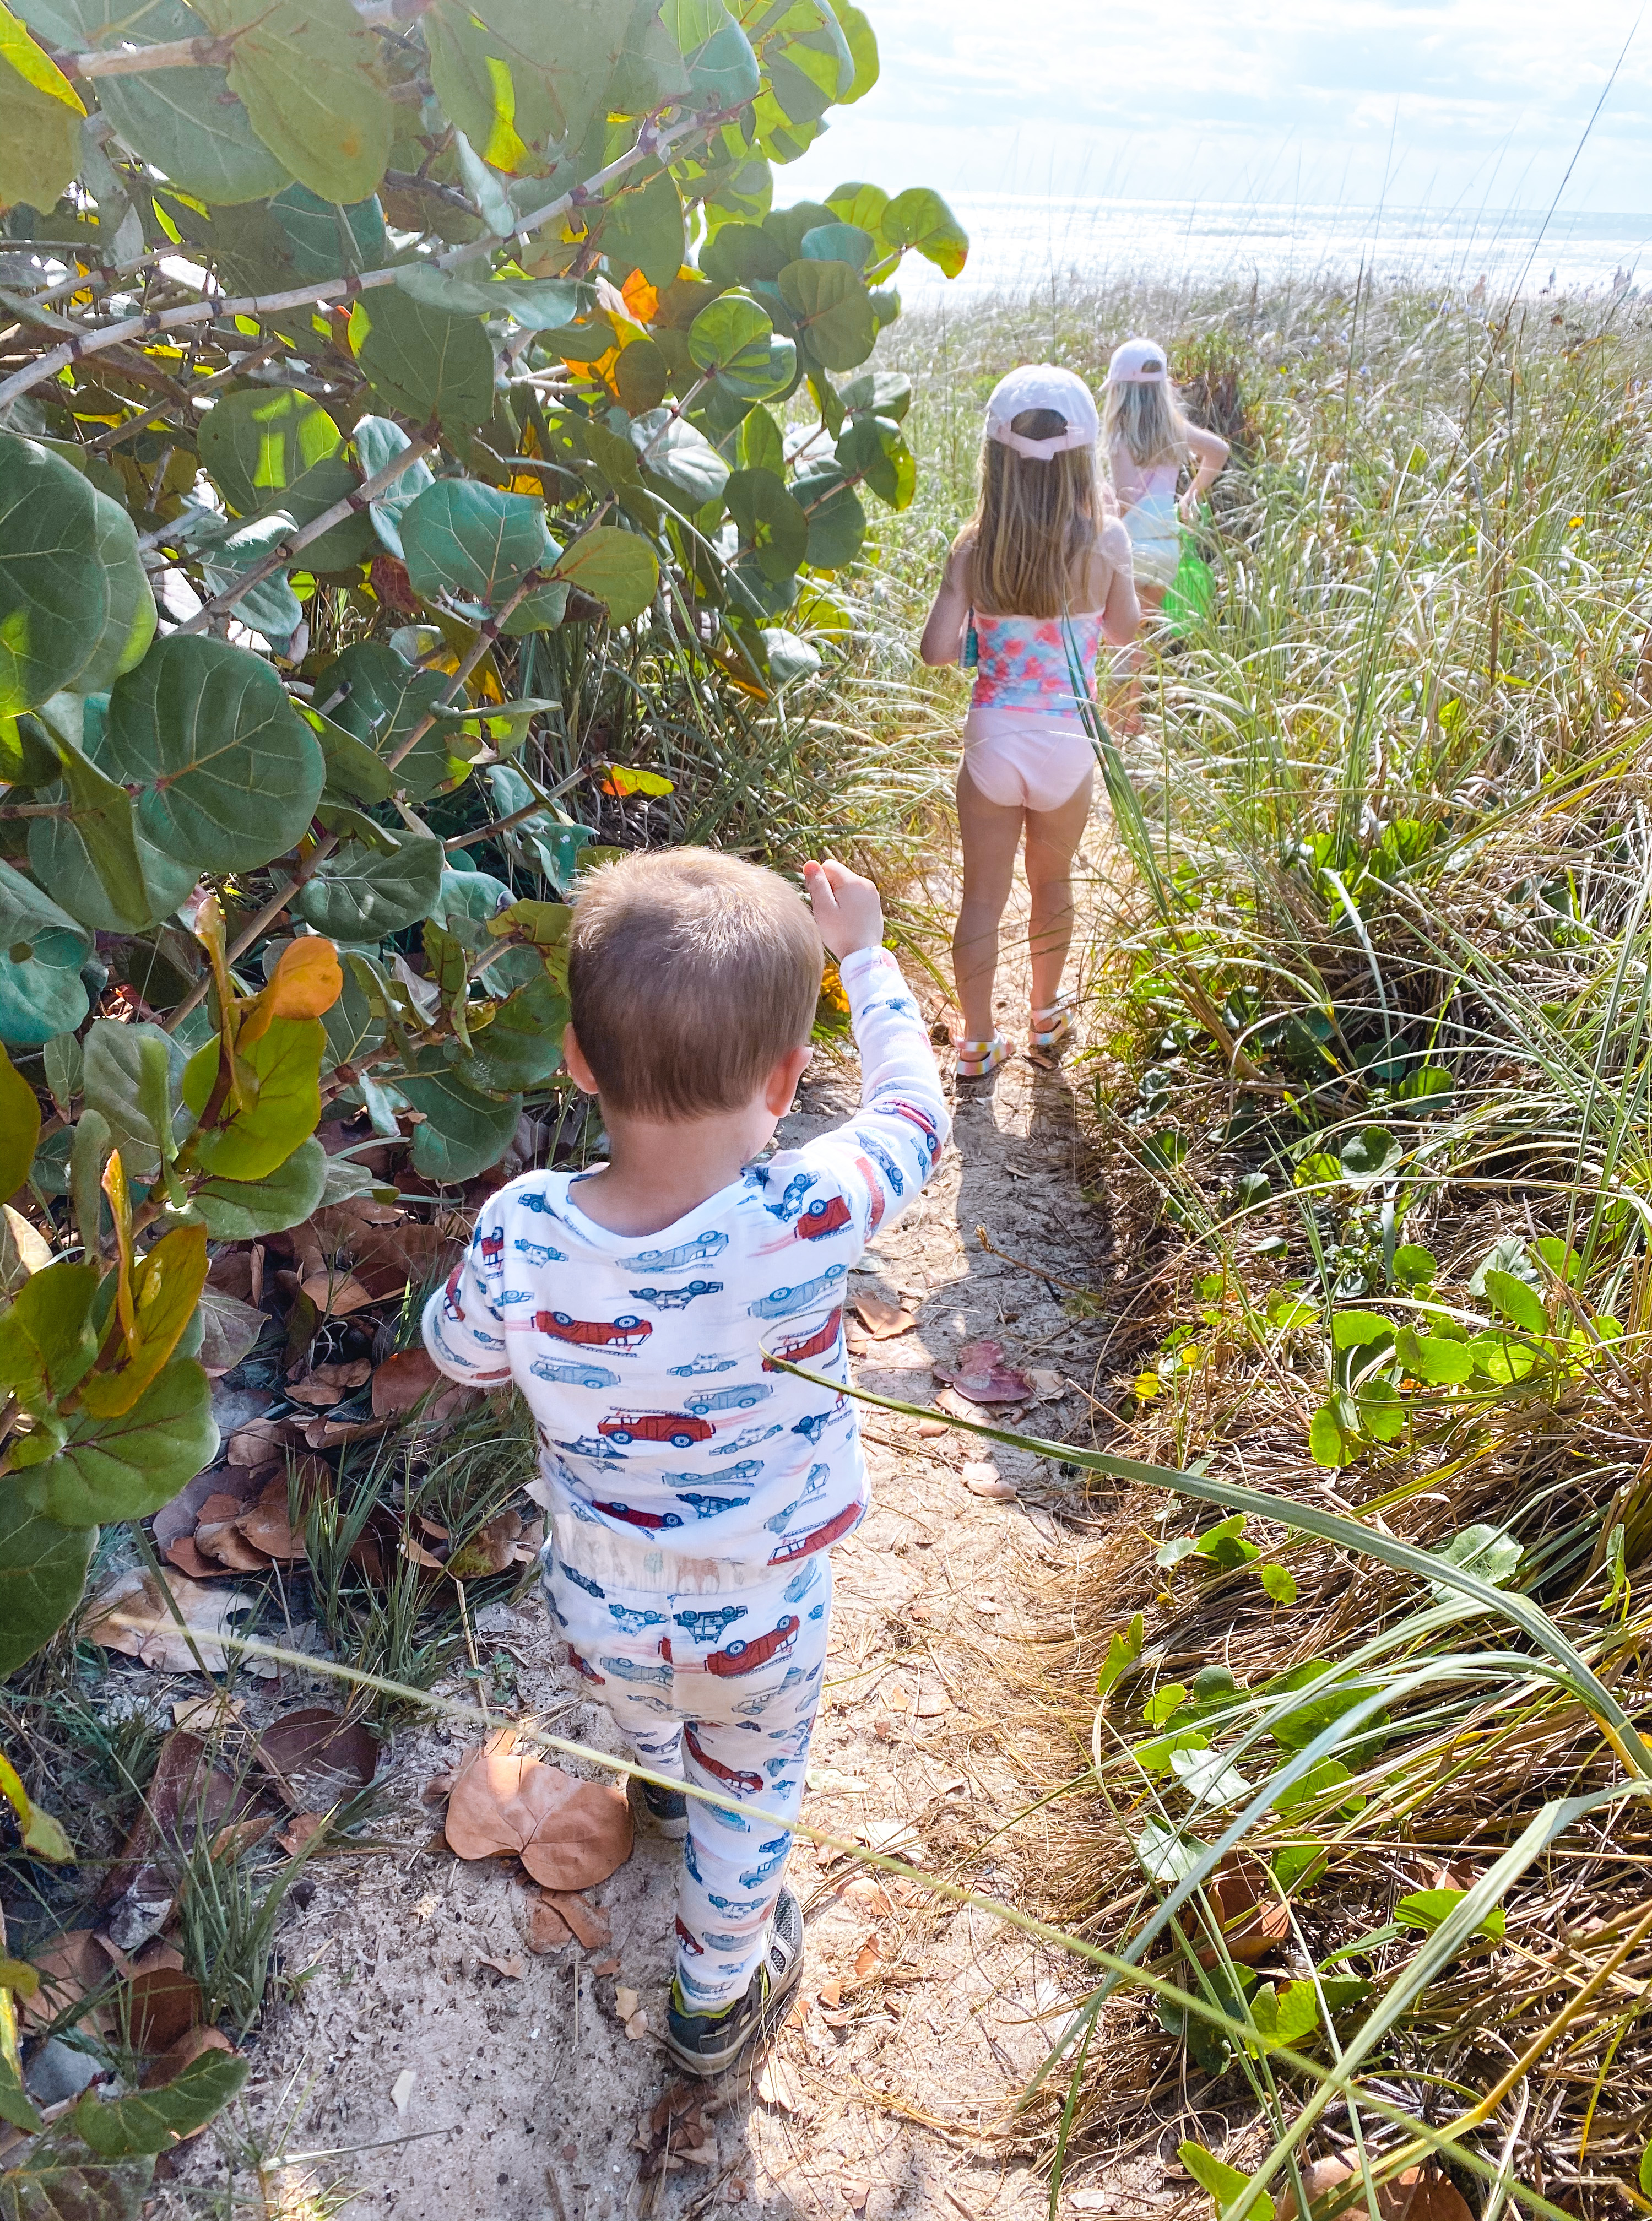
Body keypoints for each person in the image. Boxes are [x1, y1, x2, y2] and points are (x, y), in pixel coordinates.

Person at [421, 849, 949, 2078]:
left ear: (578, 1061)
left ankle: (658, 1784)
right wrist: (864, 956)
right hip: (757, 1611)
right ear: (786, 1076)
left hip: (601, 1595)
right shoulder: (816, 1209)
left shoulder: (526, 1225)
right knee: (749, 1808)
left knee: (649, 1708)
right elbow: (917, 1111)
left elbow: (457, 1356)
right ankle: (715, 1996)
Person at [920, 363, 1140, 1080]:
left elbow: (937, 653)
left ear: (994, 463)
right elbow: (1125, 631)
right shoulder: (1105, 542)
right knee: (1054, 887)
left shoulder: (974, 549)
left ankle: (978, 1043)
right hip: (1066, 745)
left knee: (981, 894)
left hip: (994, 739)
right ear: (1084, 459)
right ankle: (1047, 1018)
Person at [1101, 335, 1228, 621]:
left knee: (1121, 635)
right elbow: (1219, 451)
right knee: (1143, 630)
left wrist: (1102, 512)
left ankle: (1125, 669)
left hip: (1134, 547)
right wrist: (1189, 497)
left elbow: (1126, 498)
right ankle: (1145, 669)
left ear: (1120, 393)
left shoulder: (1120, 438)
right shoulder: (1174, 429)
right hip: (1167, 546)